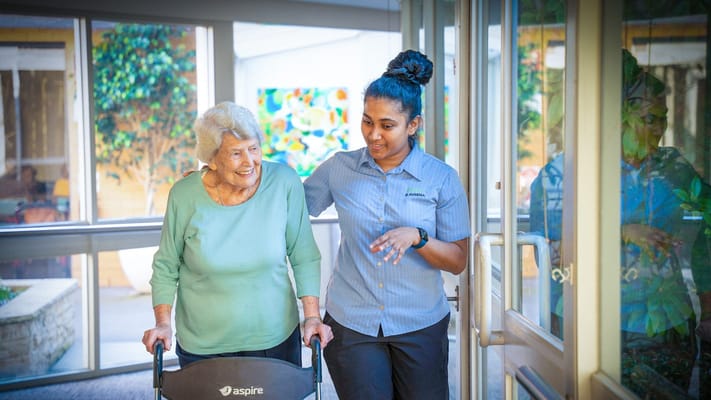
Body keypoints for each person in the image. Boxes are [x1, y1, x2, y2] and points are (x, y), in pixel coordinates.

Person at [304, 50, 471, 400]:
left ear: (413, 125)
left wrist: (418, 237)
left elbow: (458, 259)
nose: (373, 134)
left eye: (387, 125)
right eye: (367, 121)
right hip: (352, 323)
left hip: (420, 324)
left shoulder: (441, 179)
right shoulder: (340, 168)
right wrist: (220, 182)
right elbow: (289, 207)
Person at [142, 101, 333, 368]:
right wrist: (162, 323)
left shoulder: (284, 183)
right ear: (211, 159)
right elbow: (166, 264)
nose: (249, 162)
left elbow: (304, 255)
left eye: (253, 149)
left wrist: (312, 317)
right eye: (235, 154)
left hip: (274, 338)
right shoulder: (184, 195)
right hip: (203, 343)